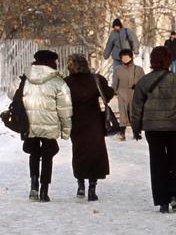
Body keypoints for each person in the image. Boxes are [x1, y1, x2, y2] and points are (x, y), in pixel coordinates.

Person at [132, 45, 176, 213]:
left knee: (157, 162)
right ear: (168, 60)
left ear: (152, 61)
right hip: (173, 125)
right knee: (174, 159)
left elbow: (136, 106)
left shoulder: (144, 81)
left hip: (152, 127)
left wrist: (136, 127)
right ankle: (174, 195)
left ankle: (162, 201)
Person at [20, 49, 72, 202]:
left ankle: (34, 185)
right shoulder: (58, 82)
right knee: (48, 156)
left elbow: (13, 94)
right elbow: (65, 108)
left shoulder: (26, 78)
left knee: (34, 154)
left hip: (30, 123)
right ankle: (44, 191)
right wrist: (66, 130)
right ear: (52, 63)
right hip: (50, 125)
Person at [65, 54, 113, 201]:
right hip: (94, 121)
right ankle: (92, 187)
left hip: (76, 122)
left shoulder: (67, 82)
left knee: (79, 152)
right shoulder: (96, 79)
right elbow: (108, 94)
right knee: (95, 153)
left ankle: (80, 185)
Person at [111, 48, 143, 141]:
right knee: (123, 113)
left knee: (134, 113)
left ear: (131, 57)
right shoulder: (118, 69)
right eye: (122, 57)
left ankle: (136, 132)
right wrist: (112, 91)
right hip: (122, 93)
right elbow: (115, 82)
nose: (124, 59)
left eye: (126, 57)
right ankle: (122, 133)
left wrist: (138, 87)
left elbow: (144, 82)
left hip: (135, 94)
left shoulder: (138, 69)